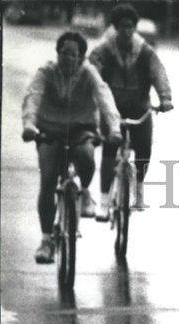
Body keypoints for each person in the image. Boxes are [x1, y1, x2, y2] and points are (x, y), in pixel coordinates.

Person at [21, 31, 122, 264]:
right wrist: (29, 125)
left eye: (74, 55)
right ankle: (46, 240)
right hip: (49, 129)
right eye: (63, 53)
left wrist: (114, 129)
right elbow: (33, 96)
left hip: (81, 128)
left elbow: (105, 98)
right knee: (47, 180)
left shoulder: (89, 73)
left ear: (81, 57)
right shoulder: (46, 72)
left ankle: (85, 191)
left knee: (87, 157)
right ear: (57, 53)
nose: (68, 58)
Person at [89, 2, 173, 220]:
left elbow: (158, 73)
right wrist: (92, 97)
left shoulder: (145, 51)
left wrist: (165, 99)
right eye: (122, 26)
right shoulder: (104, 50)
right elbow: (92, 75)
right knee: (109, 151)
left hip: (139, 109)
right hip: (112, 111)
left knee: (144, 150)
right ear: (115, 27)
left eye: (130, 27)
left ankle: (138, 190)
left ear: (135, 28)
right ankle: (105, 202)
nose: (127, 31)